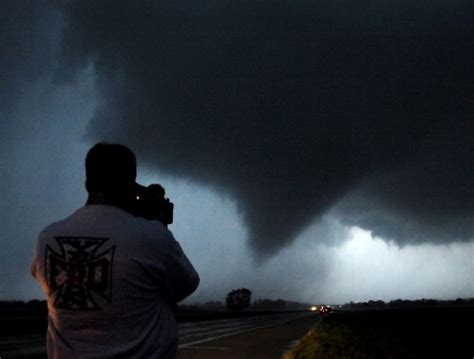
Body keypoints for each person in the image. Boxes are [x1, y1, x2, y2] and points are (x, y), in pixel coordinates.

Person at [31, 142, 200, 358]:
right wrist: (159, 225)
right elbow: (186, 284)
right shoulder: (154, 237)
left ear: (87, 183)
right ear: (131, 184)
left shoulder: (46, 238)